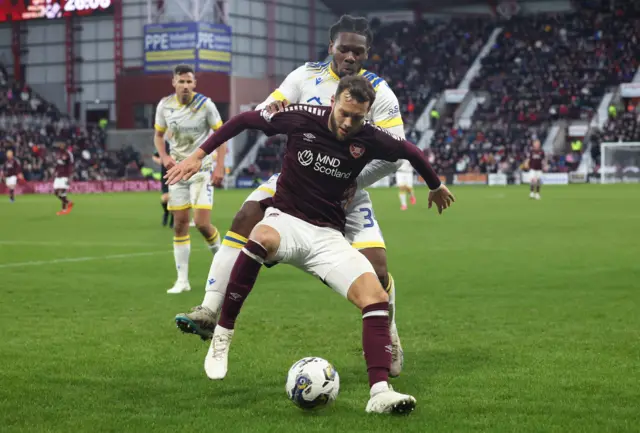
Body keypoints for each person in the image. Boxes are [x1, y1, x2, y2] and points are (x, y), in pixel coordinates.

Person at [166, 75, 455, 414]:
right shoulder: (300, 115)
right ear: (334, 100)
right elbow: (244, 120)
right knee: (259, 235)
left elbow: (409, 151)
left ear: (366, 115)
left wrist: (434, 185)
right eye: (345, 112)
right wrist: (199, 155)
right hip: (285, 221)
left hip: (327, 237)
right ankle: (222, 334)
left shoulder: (369, 137)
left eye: (358, 117)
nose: (349, 123)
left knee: (375, 296)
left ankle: (379, 392)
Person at [175, 15, 410, 376]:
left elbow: (395, 154)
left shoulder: (378, 92)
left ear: (367, 54)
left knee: (377, 271)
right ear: (331, 46)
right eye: (344, 48)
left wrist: (352, 182)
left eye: (357, 51)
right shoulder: (304, 76)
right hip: (297, 180)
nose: (350, 55)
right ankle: (209, 311)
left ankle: (388, 331)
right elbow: (270, 108)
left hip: (348, 190)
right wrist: (271, 110)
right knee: (245, 216)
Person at [154, 64, 228, 294]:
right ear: (174, 83)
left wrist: (220, 167)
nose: (185, 85)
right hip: (178, 172)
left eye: (189, 82)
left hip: (202, 169)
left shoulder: (205, 105)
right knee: (179, 225)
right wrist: (164, 156)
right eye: (181, 81)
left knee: (203, 224)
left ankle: (225, 266)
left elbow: (221, 134)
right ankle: (182, 281)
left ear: (194, 84)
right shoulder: (164, 106)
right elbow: (158, 135)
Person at [152, 141, 174, 228]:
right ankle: (166, 212)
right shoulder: (164, 144)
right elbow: (154, 156)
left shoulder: (180, 142)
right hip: (165, 175)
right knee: (164, 198)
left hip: (178, 174)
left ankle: (173, 218)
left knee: (174, 198)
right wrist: (160, 161)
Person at [52, 142, 74, 215]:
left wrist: (70, 177)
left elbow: (71, 166)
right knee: (56, 192)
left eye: (62, 145)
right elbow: (57, 165)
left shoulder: (68, 154)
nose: (61, 146)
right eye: (60, 145)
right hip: (58, 175)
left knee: (62, 192)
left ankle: (64, 210)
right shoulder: (58, 154)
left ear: (65, 146)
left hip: (65, 175)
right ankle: (69, 202)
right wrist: (54, 172)